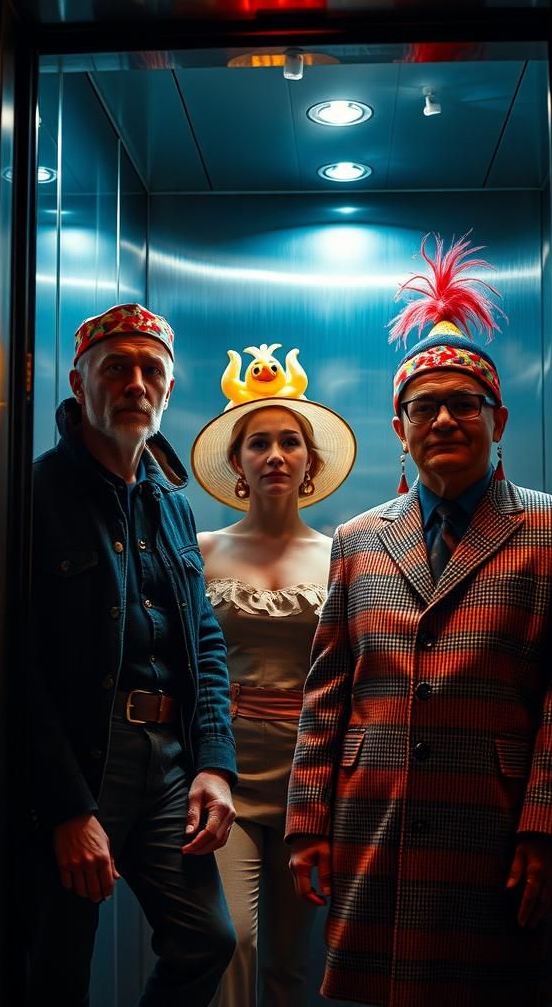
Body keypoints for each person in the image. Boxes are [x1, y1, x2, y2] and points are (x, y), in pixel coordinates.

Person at [285, 234, 552, 1007]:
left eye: (463, 404)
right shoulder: (359, 538)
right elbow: (326, 695)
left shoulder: (549, 531)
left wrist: (548, 824)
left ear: (498, 420)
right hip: (373, 820)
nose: (444, 419)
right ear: (400, 428)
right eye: (424, 406)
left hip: (497, 824)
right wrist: (307, 819)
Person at [26, 302, 237, 1007]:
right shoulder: (33, 494)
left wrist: (214, 764)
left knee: (208, 940)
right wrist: (65, 808)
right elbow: (14, 665)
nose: (135, 383)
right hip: (83, 761)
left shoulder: (173, 507)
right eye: (115, 368)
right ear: (78, 381)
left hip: (169, 760)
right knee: (55, 962)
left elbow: (204, 642)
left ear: (170, 390)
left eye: (152, 371)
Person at [190, 342, 357, 1007]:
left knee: (290, 964)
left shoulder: (342, 553)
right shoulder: (199, 551)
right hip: (223, 771)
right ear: (238, 463)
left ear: (311, 461)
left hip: (309, 781)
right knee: (232, 944)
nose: (276, 456)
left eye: (291, 442)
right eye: (259, 443)